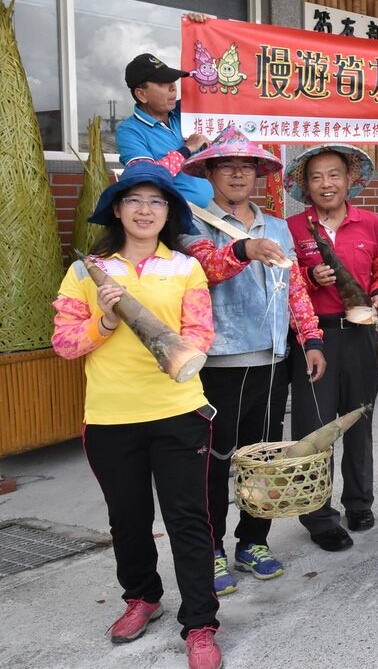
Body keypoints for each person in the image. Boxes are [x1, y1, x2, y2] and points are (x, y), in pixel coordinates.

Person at [51, 162, 222, 669]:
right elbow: (64, 342)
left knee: (188, 520)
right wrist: (104, 320)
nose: (145, 210)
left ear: (168, 212)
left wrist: (179, 355)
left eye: (156, 201)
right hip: (110, 416)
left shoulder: (184, 266)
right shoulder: (88, 269)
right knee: (128, 518)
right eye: (134, 201)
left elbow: (201, 333)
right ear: (117, 210)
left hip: (178, 410)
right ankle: (142, 598)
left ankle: (201, 624)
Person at [180, 125, 326, 593]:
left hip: (271, 362)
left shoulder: (278, 227)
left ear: (259, 175)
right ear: (210, 172)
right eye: (227, 166)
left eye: (247, 166)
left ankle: (252, 542)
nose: (238, 174)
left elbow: (296, 290)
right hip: (217, 364)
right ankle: (211, 551)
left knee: (261, 459)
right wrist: (244, 249)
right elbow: (210, 267)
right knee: (214, 462)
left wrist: (311, 340)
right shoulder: (190, 223)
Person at [285, 144, 378, 552]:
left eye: (334, 175)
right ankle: (318, 516)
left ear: (350, 180)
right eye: (316, 177)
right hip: (315, 337)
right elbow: (287, 280)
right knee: (315, 426)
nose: (326, 184)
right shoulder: (293, 228)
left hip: (361, 332)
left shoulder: (369, 222)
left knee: (359, 417)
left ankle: (359, 502)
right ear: (305, 185)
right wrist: (312, 277)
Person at [116, 53, 213, 207]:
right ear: (141, 94)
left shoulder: (183, 113)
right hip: (178, 218)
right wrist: (187, 149)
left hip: (216, 215)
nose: (173, 88)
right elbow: (147, 176)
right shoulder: (129, 131)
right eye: (162, 83)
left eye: (172, 81)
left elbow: (216, 93)